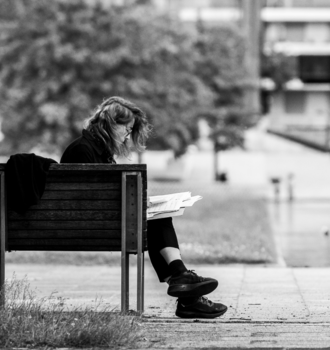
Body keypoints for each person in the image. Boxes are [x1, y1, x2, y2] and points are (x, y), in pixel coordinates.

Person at [61, 96, 228, 320]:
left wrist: (138, 201)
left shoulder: (92, 148)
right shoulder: (84, 151)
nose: (126, 136)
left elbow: (99, 197)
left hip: (90, 223)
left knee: (157, 216)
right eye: (126, 129)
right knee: (156, 219)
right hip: (86, 228)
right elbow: (91, 201)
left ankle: (185, 289)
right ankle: (183, 284)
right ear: (111, 123)